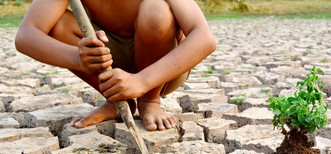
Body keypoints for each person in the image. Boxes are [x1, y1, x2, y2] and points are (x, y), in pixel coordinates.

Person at [15, 0, 216, 131]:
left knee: (157, 9)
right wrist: (79, 58)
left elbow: (204, 38)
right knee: (57, 23)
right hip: (107, 61)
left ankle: (150, 101)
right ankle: (117, 101)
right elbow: (26, 35)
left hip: (162, 70)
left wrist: (142, 81)